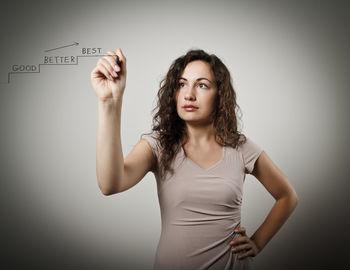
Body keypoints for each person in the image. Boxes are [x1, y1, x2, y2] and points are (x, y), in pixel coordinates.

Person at [91, 48, 299, 270]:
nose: (189, 94)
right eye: (181, 84)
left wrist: (258, 242)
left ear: (220, 94)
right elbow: (109, 185)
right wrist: (109, 102)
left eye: (202, 85)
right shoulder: (158, 146)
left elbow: (287, 196)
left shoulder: (241, 148)